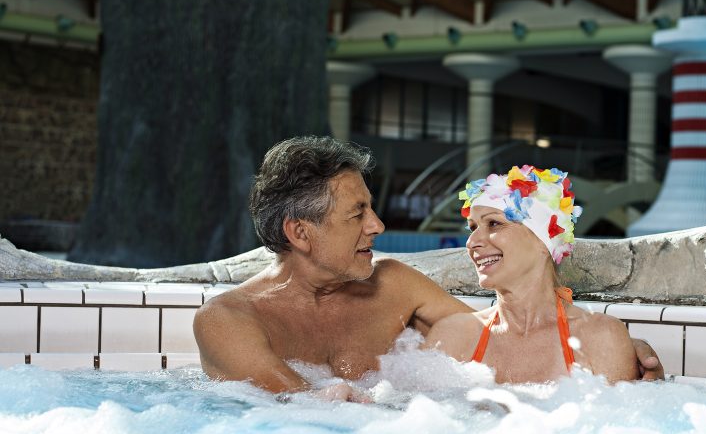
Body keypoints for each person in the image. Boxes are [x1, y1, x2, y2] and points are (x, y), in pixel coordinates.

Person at [193, 137, 663, 398]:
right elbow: (304, 410)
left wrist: (610, 348)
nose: (377, 225)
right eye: (357, 213)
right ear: (300, 233)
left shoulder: (395, 286)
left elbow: (503, 334)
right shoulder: (228, 321)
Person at [422, 166, 637, 384]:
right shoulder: (452, 338)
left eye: (494, 223)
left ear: (543, 242)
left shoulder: (600, 338)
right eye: (473, 227)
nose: (471, 242)